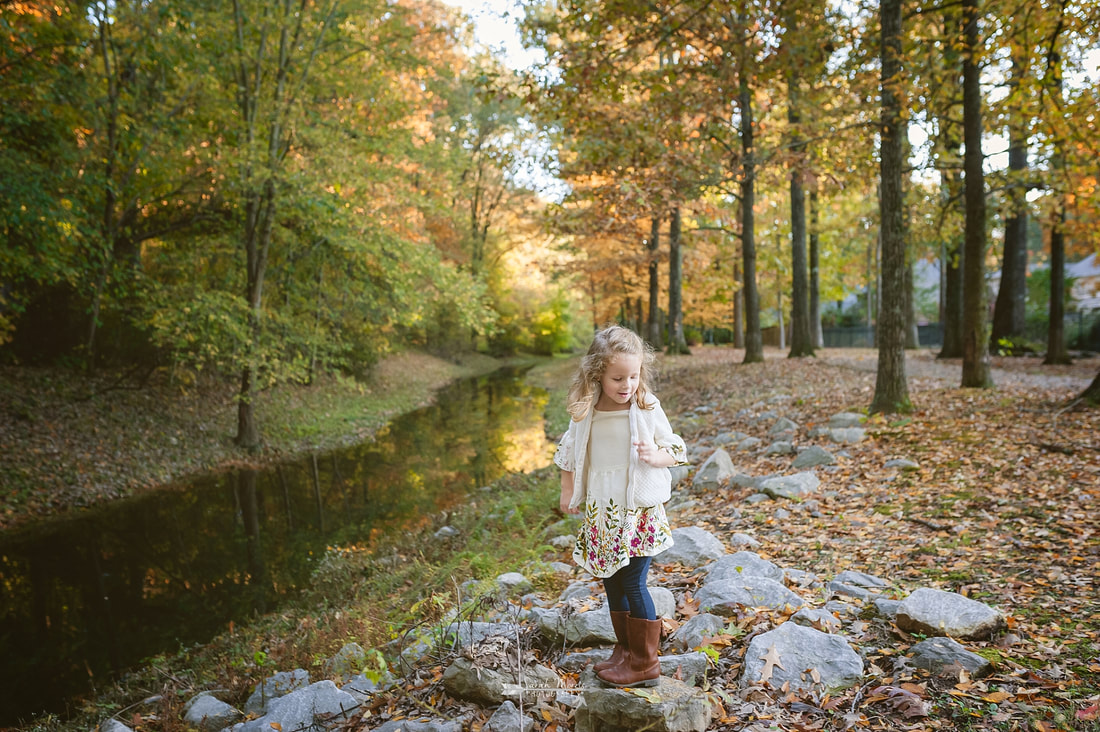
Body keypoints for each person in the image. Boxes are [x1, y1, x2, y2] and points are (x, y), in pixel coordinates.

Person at [553, 325, 686, 687]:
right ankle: (625, 650)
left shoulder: (645, 406)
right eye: (618, 378)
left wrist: (655, 456)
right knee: (611, 579)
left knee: (632, 581)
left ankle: (645, 662)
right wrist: (568, 491)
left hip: (637, 511)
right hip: (604, 509)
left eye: (633, 375)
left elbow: (675, 447)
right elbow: (568, 452)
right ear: (597, 373)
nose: (627, 385)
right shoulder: (586, 410)